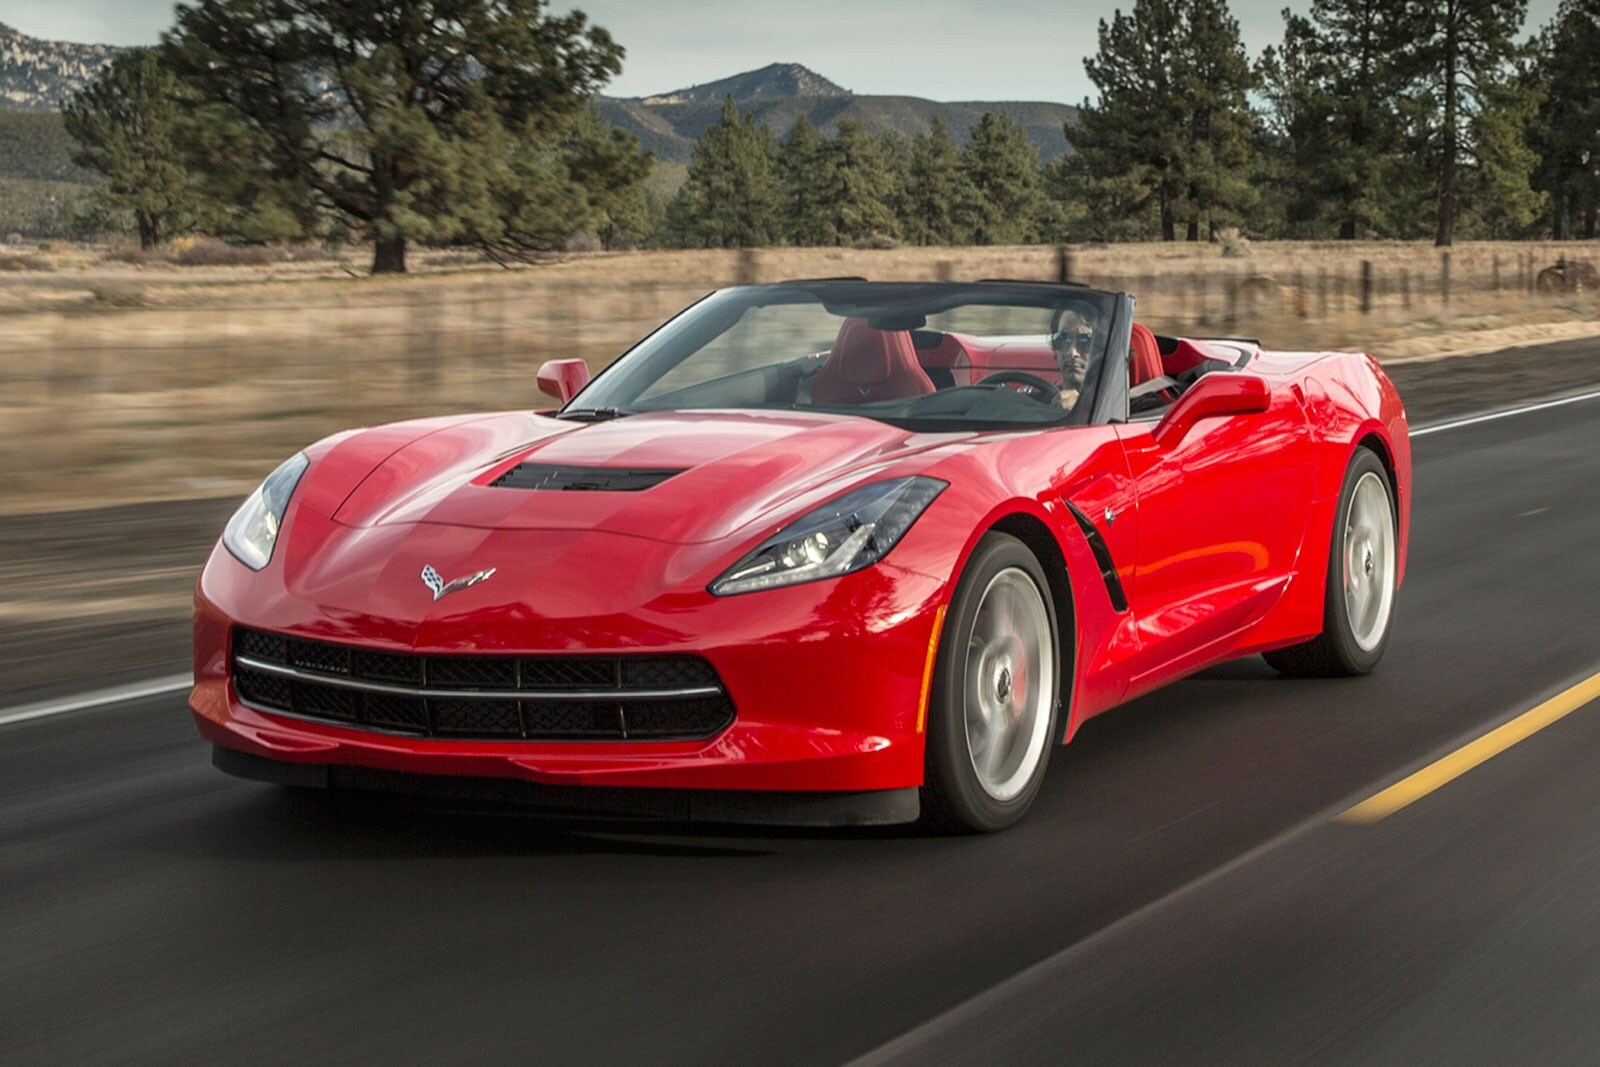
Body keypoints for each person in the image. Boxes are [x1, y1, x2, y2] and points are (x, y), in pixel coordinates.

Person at [1049, 306, 1096, 409]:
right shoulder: (1038, 402)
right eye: (1062, 339)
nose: (1072, 352)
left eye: (1085, 341)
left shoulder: (1119, 408)